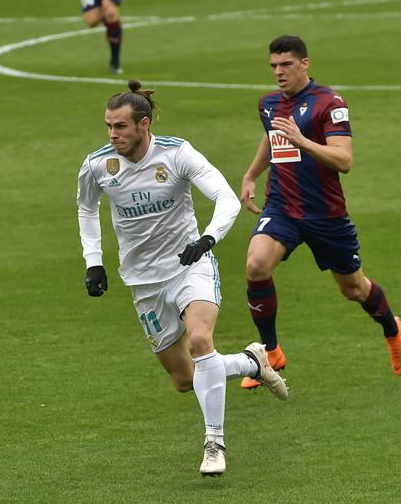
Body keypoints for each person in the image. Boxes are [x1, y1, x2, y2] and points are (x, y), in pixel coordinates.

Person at [77, 81, 288, 477]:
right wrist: (93, 261)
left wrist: (208, 238)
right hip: (143, 281)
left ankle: (214, 444)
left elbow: (225, 197)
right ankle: (249, 362)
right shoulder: (97, 166)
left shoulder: (176, 153)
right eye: (108, 126)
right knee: (183, 379)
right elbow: (86, 209)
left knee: (200, 341)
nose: (112, 134)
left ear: (143, 124)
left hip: (191, 265)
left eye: (120, 127)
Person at [238, 36, 401, 392]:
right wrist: (251, 174)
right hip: (282, 207)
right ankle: (271, 352)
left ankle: (393, 330)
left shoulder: (328, 104)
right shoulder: (268, 104)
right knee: (256, 265)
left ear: (305, 63)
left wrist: (301, 140)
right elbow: (272, 137)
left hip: (325, 215)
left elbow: (344, 160)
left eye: (286, 65)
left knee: (354, 289)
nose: (278, 73)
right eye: (273, 66)